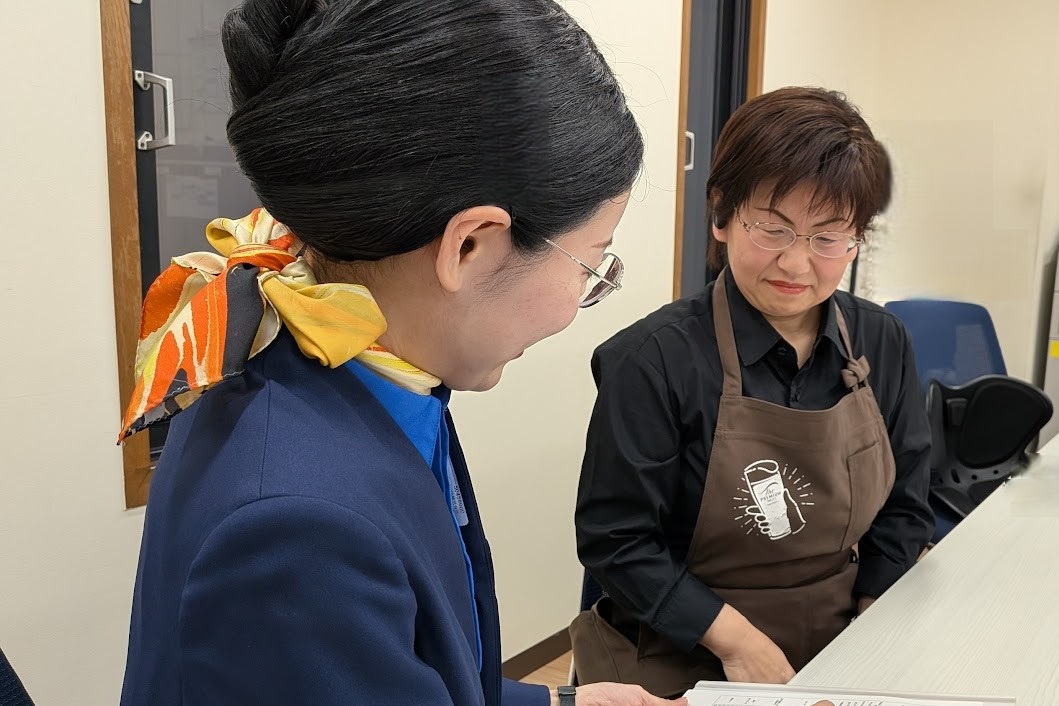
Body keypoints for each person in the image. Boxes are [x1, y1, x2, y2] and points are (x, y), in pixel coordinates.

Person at [116, 1, 682, 704]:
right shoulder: (300, 528)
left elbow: (397, 664)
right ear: (468, 245)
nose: (583, 294)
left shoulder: (335, 356)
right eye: (591, 263)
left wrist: (561, 700)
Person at [569, 87, 935, 698]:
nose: (796, 263)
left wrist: (873, 627)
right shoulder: (653, 360)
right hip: (685, 643)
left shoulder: (882, 340)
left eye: (828, 238)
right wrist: (740, 644)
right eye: (773, 228)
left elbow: (906, 504)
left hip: (843, 632)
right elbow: (618, 541)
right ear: (721, 214)